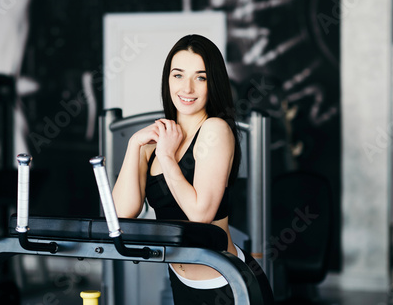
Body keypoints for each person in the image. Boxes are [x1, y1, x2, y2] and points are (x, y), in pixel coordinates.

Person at [112, 34, 274, 304]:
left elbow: (200, 216)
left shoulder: (215, 129)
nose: (187, 88)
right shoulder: (154, 144)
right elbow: (119, 214)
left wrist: (166, 156)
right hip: (181, 280)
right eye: (178, 75)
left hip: (226, 283)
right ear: (168, 80)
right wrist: (134, 145)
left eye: (201, 77)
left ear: (214, 83)